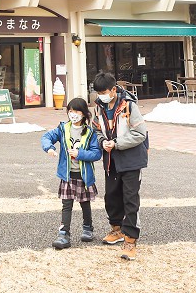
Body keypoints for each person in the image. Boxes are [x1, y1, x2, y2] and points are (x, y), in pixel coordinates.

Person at [91, 71, 149, 261]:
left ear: (114, 90)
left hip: (131, 159)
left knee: (130, 200)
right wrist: (102, 142)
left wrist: (116, 143)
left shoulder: (129, 106)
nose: (101, 95)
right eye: (98, 92)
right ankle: (116, 230)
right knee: (112, 197)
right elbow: (96, 129)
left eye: (104, 92)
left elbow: (140, 134)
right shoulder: (98, 107)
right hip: (111, 160)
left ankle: (130, 240)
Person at [41, 96, 102, 249]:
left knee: (84, 203)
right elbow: (47, 136)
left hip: (84, 175)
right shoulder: (63, 128)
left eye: (76, 111)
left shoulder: (90, 132)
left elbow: (96, 153)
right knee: (66, 205)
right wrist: (49, 148)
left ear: (83, 114)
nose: (73, 114)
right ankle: (63, 235)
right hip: (67, 175)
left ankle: (88, 228)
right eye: (70, 111)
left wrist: (79, 154)